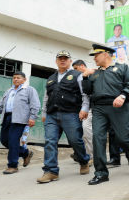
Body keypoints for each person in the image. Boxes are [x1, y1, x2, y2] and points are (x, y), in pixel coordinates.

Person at [82, 44, 129, 185]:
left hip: (118, 107)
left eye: (96, 55)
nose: (94, 58)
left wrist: (123, 96)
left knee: (122, 138)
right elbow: (88, 91)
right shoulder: (94, 73)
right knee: (98, 139)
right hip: (99, 108)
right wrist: (84, 77)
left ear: (106, 54)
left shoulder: (122, 68)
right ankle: (101, 173)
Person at [37, 50, 90, 184]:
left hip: (71, 113)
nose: (62, 60)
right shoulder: (50, 78)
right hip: (52, 115)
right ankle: (51, 171)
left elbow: (85, 94)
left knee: (75, 140)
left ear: (70, 61)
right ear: (56, 61)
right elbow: (46, 97)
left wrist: (84, 108)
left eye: (65, 58)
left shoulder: (77, 75)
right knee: (50, 141)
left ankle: (84, 160)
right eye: (60, 58)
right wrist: (44, 113)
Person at [0, 71, 40, 174]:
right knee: (4, 140)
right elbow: (0, 106)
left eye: (18, 78)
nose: (15, 79)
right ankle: (25, 153)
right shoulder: (9, 91)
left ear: (24, 80)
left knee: (13, 141)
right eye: (14, 78)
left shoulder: (29, 90)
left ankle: (13, 165)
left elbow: (35, 104)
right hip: (7, 118)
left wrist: (32, 117)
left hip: (20, 119)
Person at [107, 80, 129, 167]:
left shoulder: (128, 75)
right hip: (113, 109)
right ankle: (115, 158)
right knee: (112, 133)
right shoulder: (108, 75)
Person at [72, 59, 93, 164]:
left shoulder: (90, 74)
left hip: (90, 108)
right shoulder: (77, 77)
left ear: (81, 66)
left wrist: (85, 109)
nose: (74, 71)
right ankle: (81, 154)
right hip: (81, 108)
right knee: (80, 132)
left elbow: (86, 94)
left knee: (87, 131)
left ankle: (91, 156)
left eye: (75, 68)